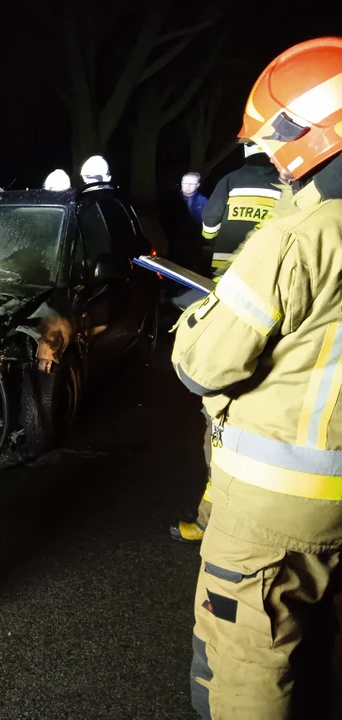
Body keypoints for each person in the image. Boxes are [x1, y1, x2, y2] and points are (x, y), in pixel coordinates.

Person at [171, 37, 342, 718]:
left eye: (275, 136)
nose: (267, 153)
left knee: (243, 674)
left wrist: (197, 319)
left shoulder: (295, 239)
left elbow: (201, 364)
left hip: (276, 510)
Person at [169, 146, 283, 545]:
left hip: (229, 290)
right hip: (276, 297)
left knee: (219, 407)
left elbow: (209, 230)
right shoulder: (292, 185)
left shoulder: (231, 181)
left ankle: (216, 517)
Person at [199, 143, 282, 276]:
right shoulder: (285, 184)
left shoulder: (230, 179)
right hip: (265, 262)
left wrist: (211, 239)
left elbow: (211, 215)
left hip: (226, 260)